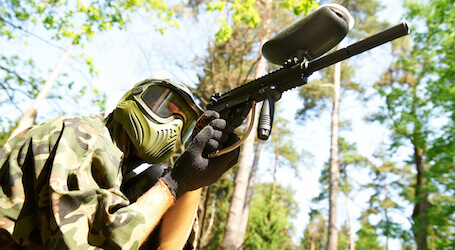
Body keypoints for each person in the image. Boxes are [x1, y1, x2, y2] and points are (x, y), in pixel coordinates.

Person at [0, 78, 240, 249]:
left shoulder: (120, 167)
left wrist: (194, 177)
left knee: (155, 181)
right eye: (166, 108)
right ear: (133, 99)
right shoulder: (83, 135)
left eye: (183, 123)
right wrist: (175, 183)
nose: (173, 125)